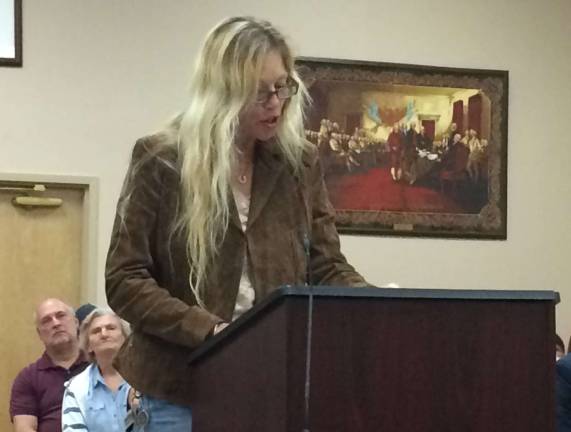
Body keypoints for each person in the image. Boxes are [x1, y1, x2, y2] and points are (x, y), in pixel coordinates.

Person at [105, 16, 368, 431]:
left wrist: (374, 304)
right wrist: (212, 331)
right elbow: (125, 278)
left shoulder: (299, 164)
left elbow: (325, 265)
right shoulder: (161, 159)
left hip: (272, 385)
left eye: (282, 86)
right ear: (221, 92)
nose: (276, 103)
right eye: (259, 91)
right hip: (179, 390)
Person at [9, 298, 88, 432]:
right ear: (40, 334)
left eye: (61, 316)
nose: (56, 323)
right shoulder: (28, 377)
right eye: (47, 320)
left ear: (76, 323)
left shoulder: (99, 366)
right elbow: (24, 428)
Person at [61, 308, 132, 432]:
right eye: (96, 331)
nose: (104, 334)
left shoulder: (147, 379)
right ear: (88, 346)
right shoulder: (76, 388)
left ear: (125, 338)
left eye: (111, 328)